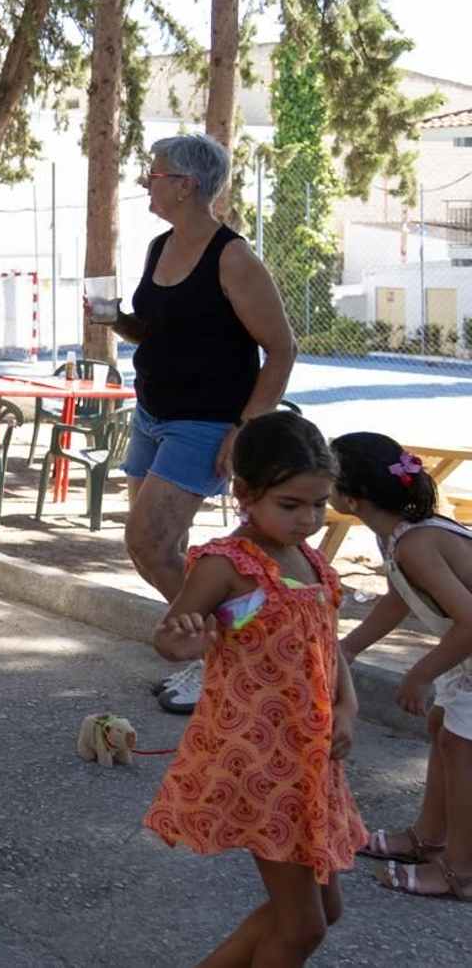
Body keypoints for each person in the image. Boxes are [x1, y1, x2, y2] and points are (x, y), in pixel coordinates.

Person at [145, 412, 364, 964]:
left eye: (318, 505)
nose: (308, 520)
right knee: (301, 929)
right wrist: (187, 640)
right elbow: (171, 637)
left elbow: (326, 641)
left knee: (324, 912)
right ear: (244, 492)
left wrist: (348, 705)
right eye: (291, 505)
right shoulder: (229, 565)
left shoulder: (309, 559)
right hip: (262, 759)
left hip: (309, 759)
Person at [109, 133, 297, 715]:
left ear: (187, 186)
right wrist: (116, 321)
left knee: (149, 540)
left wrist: (245, 427)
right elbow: (156, 328)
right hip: (151, 413)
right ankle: (220, 643)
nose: (147, 181)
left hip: (206, 420)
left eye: (155, 172)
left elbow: (282, 349)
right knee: (156, 549)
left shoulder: (233, 257)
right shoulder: (159, 246)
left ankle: (221, 653)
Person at [333, 432, 472, 901]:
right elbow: (399, 600)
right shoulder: (393, 535)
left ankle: (461, 872)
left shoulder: (416, 542)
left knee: (461, 745)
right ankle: (428, 839)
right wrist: (348, 649)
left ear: (350, 497)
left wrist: (420, 673)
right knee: (443, 729)